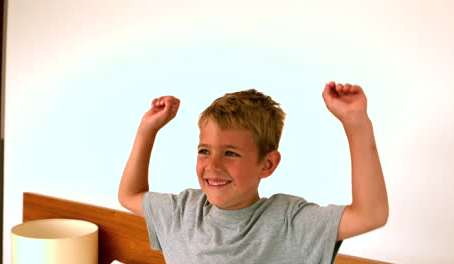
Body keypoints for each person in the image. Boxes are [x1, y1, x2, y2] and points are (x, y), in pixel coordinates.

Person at [118, 81, 389, 264]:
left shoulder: (289, 222)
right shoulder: (182, 211)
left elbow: (370, 215)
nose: (212, 166)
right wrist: (147, 129)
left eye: (231, 153)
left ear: (267, 164)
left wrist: (356, 123)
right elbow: (129, 195)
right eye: (204, 151)